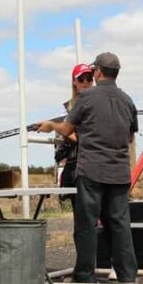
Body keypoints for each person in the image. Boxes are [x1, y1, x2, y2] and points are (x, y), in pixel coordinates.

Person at [35, 52, 138, 284]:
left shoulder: (86, 98)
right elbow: (130, 137)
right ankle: (128, 274)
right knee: (120, 224)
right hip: (120, 172)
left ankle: (84, 275)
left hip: (92, 171)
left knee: (86, 225)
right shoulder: (128, 100)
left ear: (98, 72)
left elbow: (67, 129)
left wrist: (51, 125)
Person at [54, 63, 94, 210]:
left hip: (94, 166)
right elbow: (63, 136)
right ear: (74, 81)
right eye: (81, 78)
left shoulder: (97, 104)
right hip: (75, 166)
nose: (85, 82)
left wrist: (58, 128)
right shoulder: (66, 108)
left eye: (89, 78)